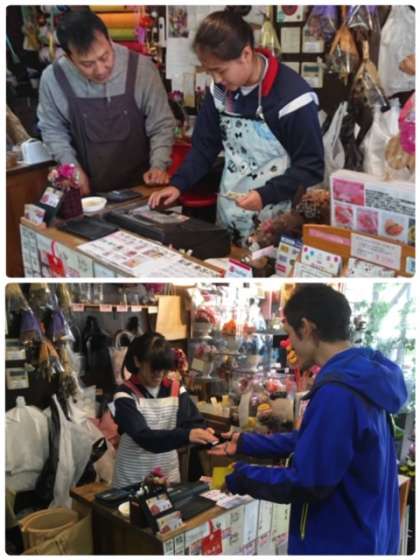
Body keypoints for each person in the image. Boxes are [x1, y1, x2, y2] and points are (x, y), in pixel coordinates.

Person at [210, 284, 407, 554]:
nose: (289, 344)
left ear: (306, 327)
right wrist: (245, 443)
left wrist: (240, 477)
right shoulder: (364, 377)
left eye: (290, 334)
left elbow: (308, 482)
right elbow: (320, 443)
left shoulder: (338, 393)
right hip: (366, 533)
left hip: (339, 542)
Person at [149, 7, 324, 244]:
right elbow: (204, 147)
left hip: (277, 220)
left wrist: (265, 194)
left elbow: (311, 166)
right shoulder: (220, 91)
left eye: (220, 70)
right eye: (210, 71)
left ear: (246, 54)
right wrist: (178, 184)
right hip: (229, 213)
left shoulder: (292, 98)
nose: (216, 79)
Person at [37, 10, 175, 195]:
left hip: (141, 189)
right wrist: (72, 168)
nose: (101, 70)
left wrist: (158, 165)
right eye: (87, 64)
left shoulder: (142, 69)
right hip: (87, 193)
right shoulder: (53, 78)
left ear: (109, 39)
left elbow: (161, 124)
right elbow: (53, 130)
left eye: (105, 57)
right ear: (69, 58)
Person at [112, 332, 217, 488]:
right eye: (154, 368)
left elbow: (192, 421)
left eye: (163, 368)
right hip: (133, 475)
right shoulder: (124, 395)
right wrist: (187, 435)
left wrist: (202, 430)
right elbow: (144, 437)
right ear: (137, 361)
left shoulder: (175, 389)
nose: (159, 374)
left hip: (168, 473)